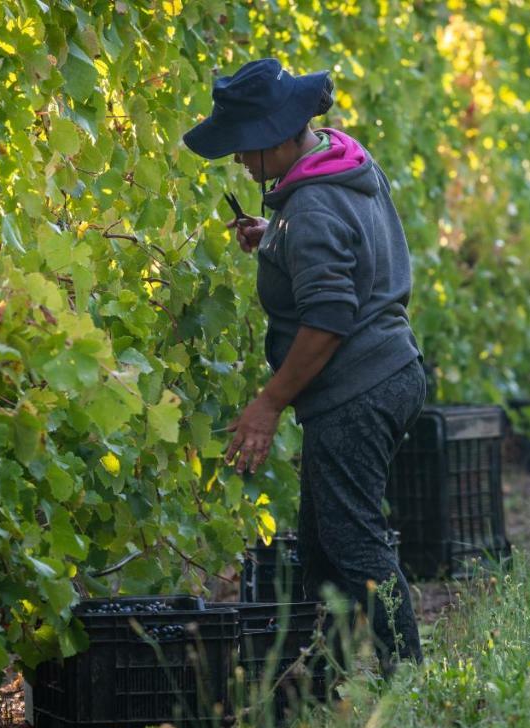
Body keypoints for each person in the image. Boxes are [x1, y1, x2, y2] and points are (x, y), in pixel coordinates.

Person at [182, 58, 425, 673]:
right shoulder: (343, 162)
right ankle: (320, 686)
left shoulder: (312, 208)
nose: (239, 161)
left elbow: (329, 321)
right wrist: (279, 236)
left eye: (243, 148)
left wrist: (268, 403)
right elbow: (351, 246)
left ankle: (414, 680)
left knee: (355, 543)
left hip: (358, 391)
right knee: (323, 550)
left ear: (275, 137)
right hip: (389, 372)